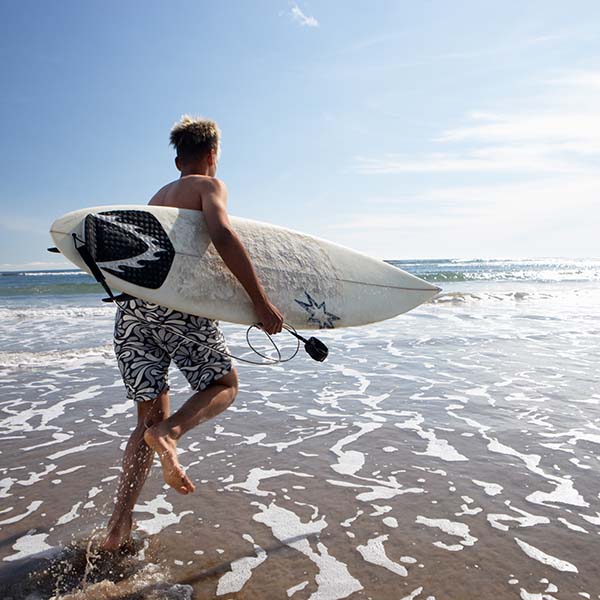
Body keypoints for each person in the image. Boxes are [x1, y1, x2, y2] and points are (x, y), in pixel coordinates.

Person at [101, 116, 284, 551]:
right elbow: (221, 233)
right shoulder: (208, 187)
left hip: (132, 313)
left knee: (146, 421)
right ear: (212, 155)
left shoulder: (155, 199)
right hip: (179, 309)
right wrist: (258, 300)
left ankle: (117, 527)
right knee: (224, 384)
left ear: (178, 157)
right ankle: (173, 434)